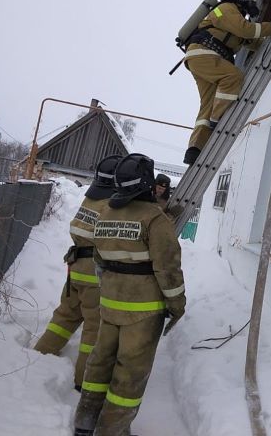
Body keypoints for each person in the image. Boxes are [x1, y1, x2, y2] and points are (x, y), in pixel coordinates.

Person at [74, 153, 185, 436]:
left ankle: (85, 421)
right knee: (130, 373)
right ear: (147, 182)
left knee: (100, 361)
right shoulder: (155, 219)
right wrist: (177, 305)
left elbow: (99, 260)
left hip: (109, 305)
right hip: (143, 311)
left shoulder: (105, 213)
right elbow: (168, 268)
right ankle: (112, 430)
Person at [34, 154, 121, 391]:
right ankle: (85, 381)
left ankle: (40, 355)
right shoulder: (111, 205)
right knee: (95, 327)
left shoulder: (91, 199)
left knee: (66, 315)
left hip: (77, 267)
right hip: (95, 273)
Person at [182, 0, 271, 165]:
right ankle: (217, 120)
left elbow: (251, 41)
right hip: (204, 53)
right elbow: (246, 30)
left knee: (208, 103)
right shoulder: (225, 9)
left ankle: (195, 149)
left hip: (202, 57)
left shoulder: (233, 18)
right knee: (233, 76)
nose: (254, 1)